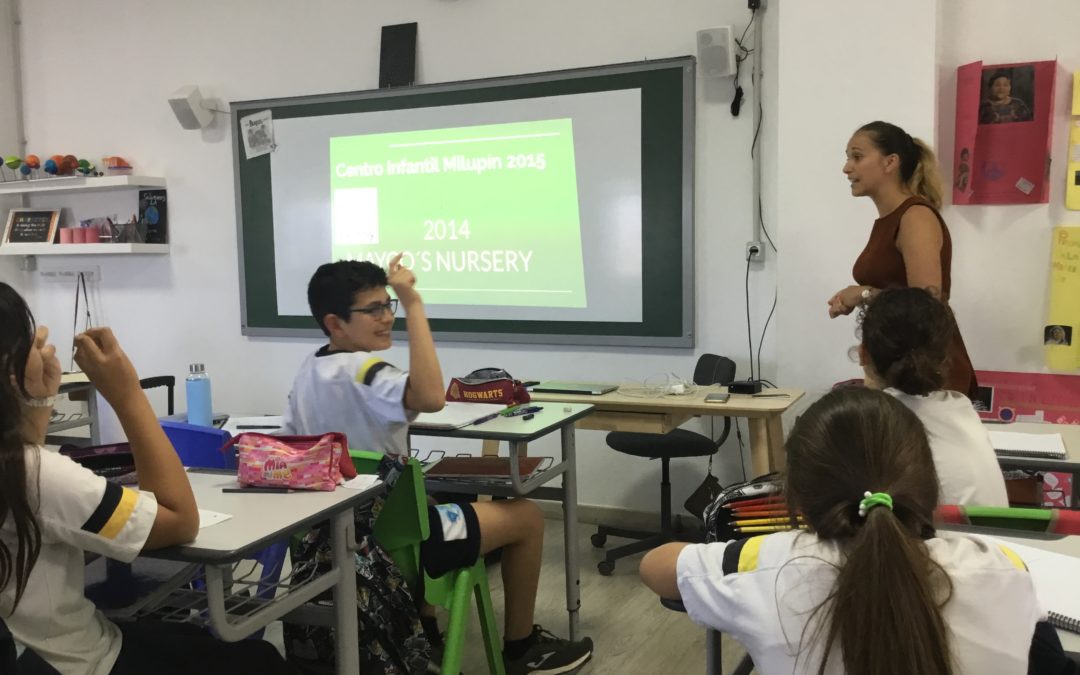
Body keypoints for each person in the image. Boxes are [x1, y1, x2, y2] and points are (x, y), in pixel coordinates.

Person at [280, 254, 593, 675]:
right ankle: (522, 648)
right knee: (527, 516)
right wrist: (414, 303)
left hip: (331, 541)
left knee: (432, 493)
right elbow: (431, 397)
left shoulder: (308, 372)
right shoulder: (367, 370)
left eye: (386, 305)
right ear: (336, 323)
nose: (385, 317)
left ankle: (423, 627)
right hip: (396, 547)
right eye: (372, 310)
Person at [640, 388, 1073, 675]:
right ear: (927, 487)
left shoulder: (767, 563)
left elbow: (655, 567)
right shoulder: (1002, 570)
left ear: (797, 504)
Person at [0, 282, 295, 675]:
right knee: (258, 661)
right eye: (30, 341)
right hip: (82, 662)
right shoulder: (36, 476)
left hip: (37, 656)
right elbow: (179, 519)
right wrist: (126, 392)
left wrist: (34, 401)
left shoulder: (24, 471)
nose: (44, 346)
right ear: (11, 370)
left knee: (194, 640)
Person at [830, 120, 979, 399]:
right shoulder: (891, 220)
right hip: (897, 366)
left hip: (926, 374)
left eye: (857, 157)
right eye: (848, 157)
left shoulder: (915, 217)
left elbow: (924, 306)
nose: (847, 167)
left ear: (890, 162)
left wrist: (861, 294)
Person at [858, 287, 1008, 506]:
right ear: (944, 357)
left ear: (863, 354)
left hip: (939, 538)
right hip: (998, 539)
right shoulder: (960, 407)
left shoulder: (878, 422)